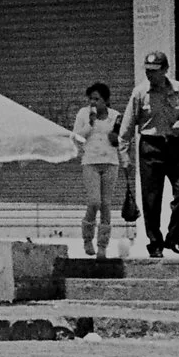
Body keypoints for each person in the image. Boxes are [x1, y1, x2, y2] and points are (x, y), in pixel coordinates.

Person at [116, 50, 179, 257]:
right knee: (151, 199)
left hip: (175, 147)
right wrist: (124, 156)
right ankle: (155, 242)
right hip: (150, 146)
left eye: (154, 71)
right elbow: (126, 128)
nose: (150, 75)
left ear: (165, 70)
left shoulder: (178, 89)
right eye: (147, 71)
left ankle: (174, 239)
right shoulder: (139, 93)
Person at [71, 82, 121, 258]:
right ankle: (87, 238)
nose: (93, 103)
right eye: (91, 99)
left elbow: (121, 139)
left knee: (106, 205)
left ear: (106, 101)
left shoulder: (115, 116)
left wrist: (116, 137)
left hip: (110, 162)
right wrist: (89, 125)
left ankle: (102, 245)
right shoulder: (83, 114)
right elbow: (76, 137)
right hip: (91, 162)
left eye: (97, 99)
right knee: (94, 202)